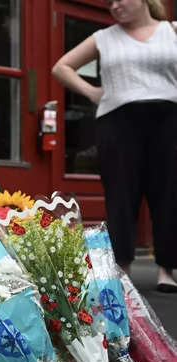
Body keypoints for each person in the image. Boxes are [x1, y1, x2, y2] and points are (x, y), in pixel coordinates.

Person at [52, 0, 177, 292]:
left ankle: (166, 270)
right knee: (121, 195)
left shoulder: (171, 31)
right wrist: (93, 92)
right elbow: (62, 67)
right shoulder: (103, 38)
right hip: (118, 122)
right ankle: (122, 268)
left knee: (168, 193)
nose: (115, 6)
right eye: (110, 2)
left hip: (168, 120)